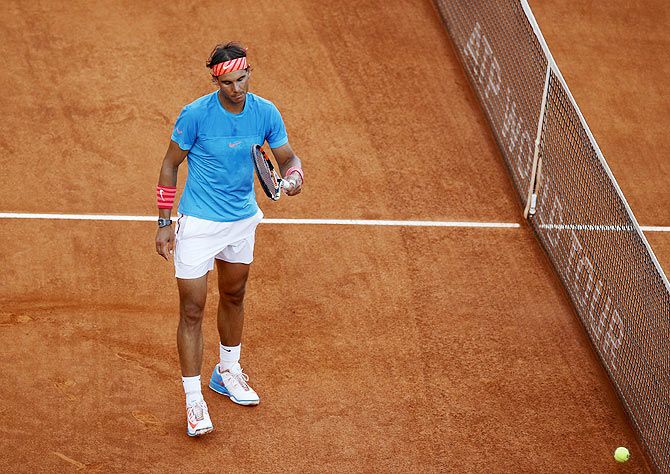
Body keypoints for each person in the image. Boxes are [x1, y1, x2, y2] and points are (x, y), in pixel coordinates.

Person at [154, 42, 303, 437]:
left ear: (249, 72)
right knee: (192, 309)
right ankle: (193, 399)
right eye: (228, 82)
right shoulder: (196, 115)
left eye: (242, 79)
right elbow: (170, 165)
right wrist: (164, 222)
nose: (237, 89)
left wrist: (294, 176)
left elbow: (287, 157)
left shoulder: (265, 112)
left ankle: (227, 372)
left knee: (234, 295)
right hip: (199, 223)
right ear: (215, 80)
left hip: (241, 222)